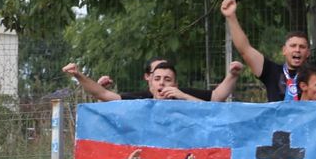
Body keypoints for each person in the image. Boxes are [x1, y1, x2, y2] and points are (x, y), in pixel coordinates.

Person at [221, 0, 316, 101]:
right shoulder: (271, 71)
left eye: (302, 47)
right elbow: (245, 49)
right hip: (278, 125)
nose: (297, 50)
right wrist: (231, 17)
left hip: (311, 124)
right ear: (284, 50)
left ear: (308, 53)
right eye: (293, 46)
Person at [63, 58, 242, 102]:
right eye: (157, 78)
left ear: (175, 84)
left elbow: (216, 98)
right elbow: (103, 94)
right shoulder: (141, 98)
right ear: (150, 81)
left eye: (167, 79)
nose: (161, 83)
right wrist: (79, 75)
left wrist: (232, 75)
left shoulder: (184, 95)